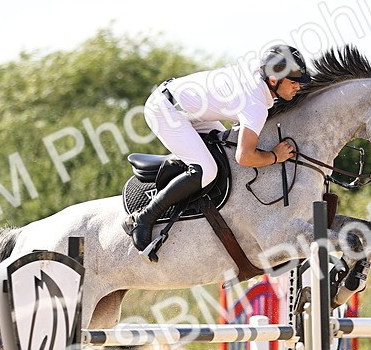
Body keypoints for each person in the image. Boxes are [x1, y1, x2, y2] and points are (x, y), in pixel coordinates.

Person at [124, 44, 312, 257]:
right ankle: (143, 218)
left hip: (191, 110)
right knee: (206, 169)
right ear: (273, 80)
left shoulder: (261, 75)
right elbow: (245, 156)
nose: (298, 87)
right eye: (294, 82)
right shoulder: (256, 103)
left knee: (225, 159)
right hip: (165, 111)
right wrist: (274, 156)